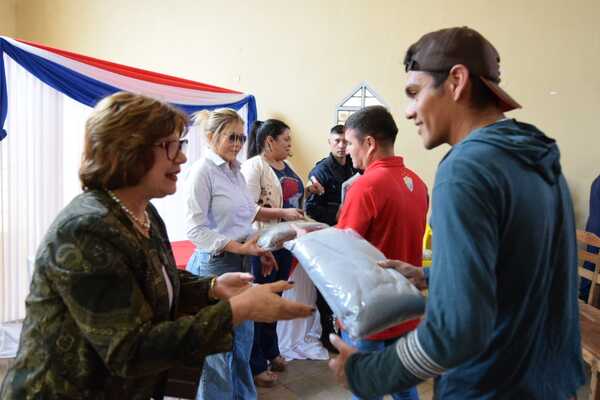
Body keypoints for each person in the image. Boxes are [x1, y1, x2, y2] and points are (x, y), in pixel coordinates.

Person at [0, 92, 313, 400]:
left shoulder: (143, 212)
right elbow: (129, 351)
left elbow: (158, 277)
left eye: (181, 144)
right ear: (127, 151)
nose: (180, 157)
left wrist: (213, 287)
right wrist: (235, 310)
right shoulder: (85, 229)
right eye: (170, 146)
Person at [329, 27, 585, 400]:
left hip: (490, 386)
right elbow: (522, 269)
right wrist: (434, 274)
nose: (409, 111)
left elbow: (457, 329)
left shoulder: (466, 168)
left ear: (456, 82)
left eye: (415, 93)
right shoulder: (538, 158)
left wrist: (367, 373)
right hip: (549, 384)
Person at [185, 108, 280, 399]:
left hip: (242, 262)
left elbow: (246, 214)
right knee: (216, 355)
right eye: (231, 137)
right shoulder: (202, 172)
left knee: (241, 347)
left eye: (241, 137)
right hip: (214, 267)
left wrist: (258, 248)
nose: (238, 144)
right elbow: (194, 230)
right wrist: (241, 247)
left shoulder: (236, 171)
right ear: (211, 137)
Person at [335, 105, 429, 400]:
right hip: (405, 307)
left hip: (370, 311)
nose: (348, 151)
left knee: (364, 389)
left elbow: (343, 253)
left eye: (350, 143)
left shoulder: (365, 187)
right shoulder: (419, 183)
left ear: (370, 143)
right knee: (403, 386)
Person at [241, 119, 322, 386]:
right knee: (259, 303)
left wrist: (308, 190)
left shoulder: (286, 166)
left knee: (275, 298)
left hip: (284, 242)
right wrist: (283, 213)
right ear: (269, 141)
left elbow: (291, 195)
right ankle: (255, 364)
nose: (290, 144)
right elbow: (248, 209)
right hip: (263, 244)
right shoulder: (254, 166)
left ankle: (271, 351)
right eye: (286, 139)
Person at [305, 124, 357, 352]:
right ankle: (328, 333)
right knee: (327, 286)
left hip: (350, 234)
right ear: (329, 142)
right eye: (337, 141)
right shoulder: (321, 170)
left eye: (346, 141)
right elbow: (311, 209)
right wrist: (337, 213)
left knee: (348, 284)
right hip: (327, 234)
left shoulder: (355, 166)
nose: (342, 146)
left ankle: (346, 328)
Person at [581, 174, 600, 301]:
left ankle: (584, 295)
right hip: (598, 232)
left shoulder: (597, 180)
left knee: (590, 265)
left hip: (593, 229)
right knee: (592, 268)